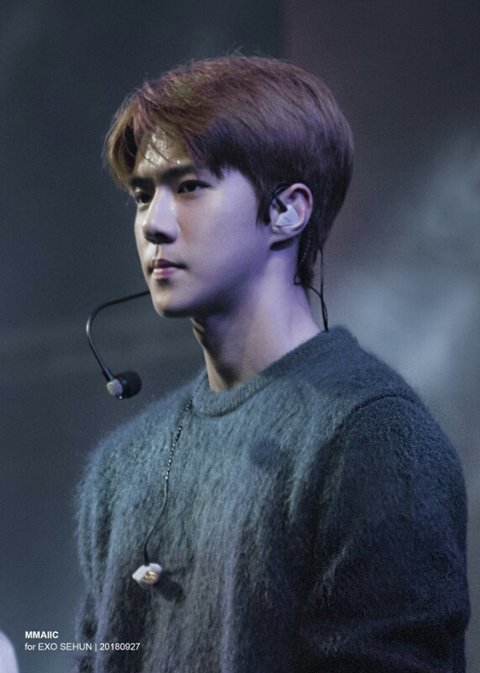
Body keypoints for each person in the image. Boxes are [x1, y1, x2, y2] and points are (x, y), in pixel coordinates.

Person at [75, 56, 469, 673]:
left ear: (288, 210)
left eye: (189, 186)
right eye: (143, 194)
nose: (153, 223)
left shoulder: (370, 436)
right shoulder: (120, 470)